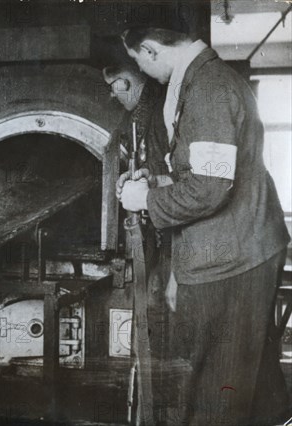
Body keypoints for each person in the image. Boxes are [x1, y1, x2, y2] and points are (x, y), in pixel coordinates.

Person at [117, 26, 291, 425]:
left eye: (139, 60)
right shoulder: (200, 81)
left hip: (234, 253)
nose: (142, 69)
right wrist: (157, 179)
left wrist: (146, 200)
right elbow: (205, 171)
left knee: (216, 380)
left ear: (150, 49)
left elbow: (211, 188)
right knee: (251, 369)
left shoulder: (209, 89)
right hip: (242, 244)